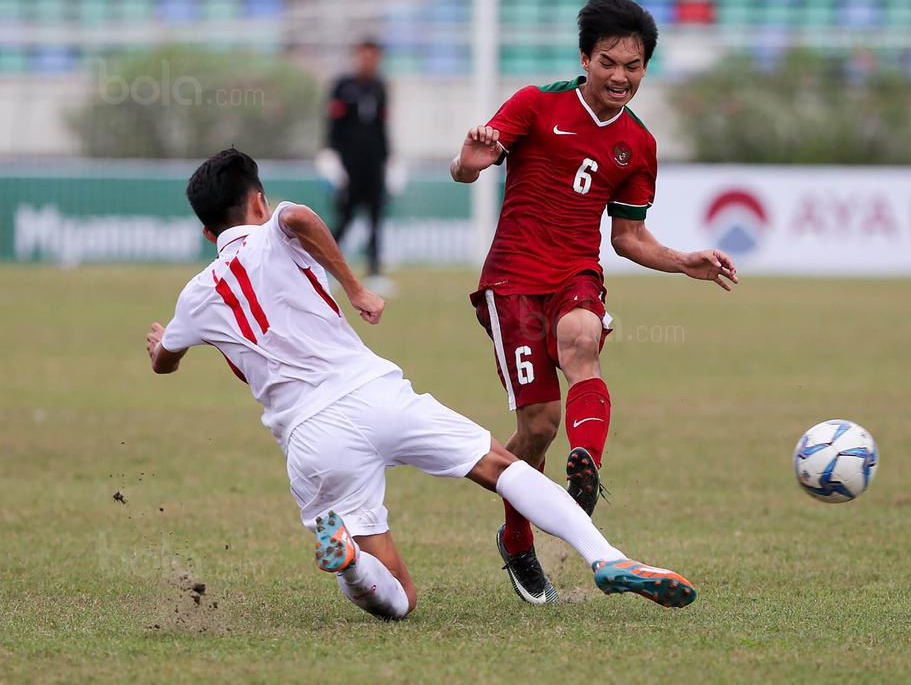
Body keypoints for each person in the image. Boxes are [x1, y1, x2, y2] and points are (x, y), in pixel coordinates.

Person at [144, 149, 697, 620]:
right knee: (503, 468)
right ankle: (605, 557)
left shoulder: (195, 297)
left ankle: (350, 562)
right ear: (259, 202)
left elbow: (165, 363)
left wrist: (164, 345)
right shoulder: (276, 229)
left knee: (399, 600)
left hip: (312, 438)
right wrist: (356, 289)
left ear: (206, 231)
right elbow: (300, 217)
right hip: (375, 395)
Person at [450, 0, 738, 605]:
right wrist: (467, 165)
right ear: (585, 59)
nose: (620, 77)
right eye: (608, 62)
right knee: (537, 428)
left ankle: (585, 465)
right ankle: (516, 537)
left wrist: (683, 260)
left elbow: (628, 237)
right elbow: (473, 163)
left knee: (582, 341)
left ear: (645, 68)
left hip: (576, 274)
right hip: (511, 284)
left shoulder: (638, 145)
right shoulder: (536, 104)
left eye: (633, 66)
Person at [326, 39, 392, 294]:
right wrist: (331, 156)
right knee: (345, 217)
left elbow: (382, 127)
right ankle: (328, 270)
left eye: (373, 56)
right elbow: (333, 124)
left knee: (376, 217)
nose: (368, 61)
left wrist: (389, 159)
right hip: (349, 164)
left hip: (374, 164)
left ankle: (374, 271)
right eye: (365, 55)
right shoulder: (343, 86)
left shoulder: (379, 87)